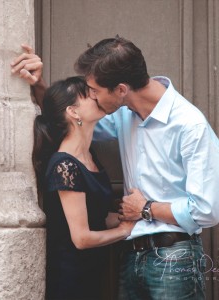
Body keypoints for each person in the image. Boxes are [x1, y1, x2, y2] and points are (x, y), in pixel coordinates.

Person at [11, 37, 219, 299]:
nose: (92, 97)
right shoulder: (123, 116)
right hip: (129, 254)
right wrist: (39, 85)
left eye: (94, 91)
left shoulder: (191, 126)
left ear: (121, 89)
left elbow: (207, 209)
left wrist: (145, 209)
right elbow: (72, 121)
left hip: (174, 257)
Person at [30, 75, 135, 299]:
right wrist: (124, 231)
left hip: (93, 271)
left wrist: (139, 214)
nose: (96, 95)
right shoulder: (64, 165)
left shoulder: (89, 156)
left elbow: (96, 218)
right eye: (88, 94)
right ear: (73, 112)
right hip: (70, 279)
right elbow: (82, 238)